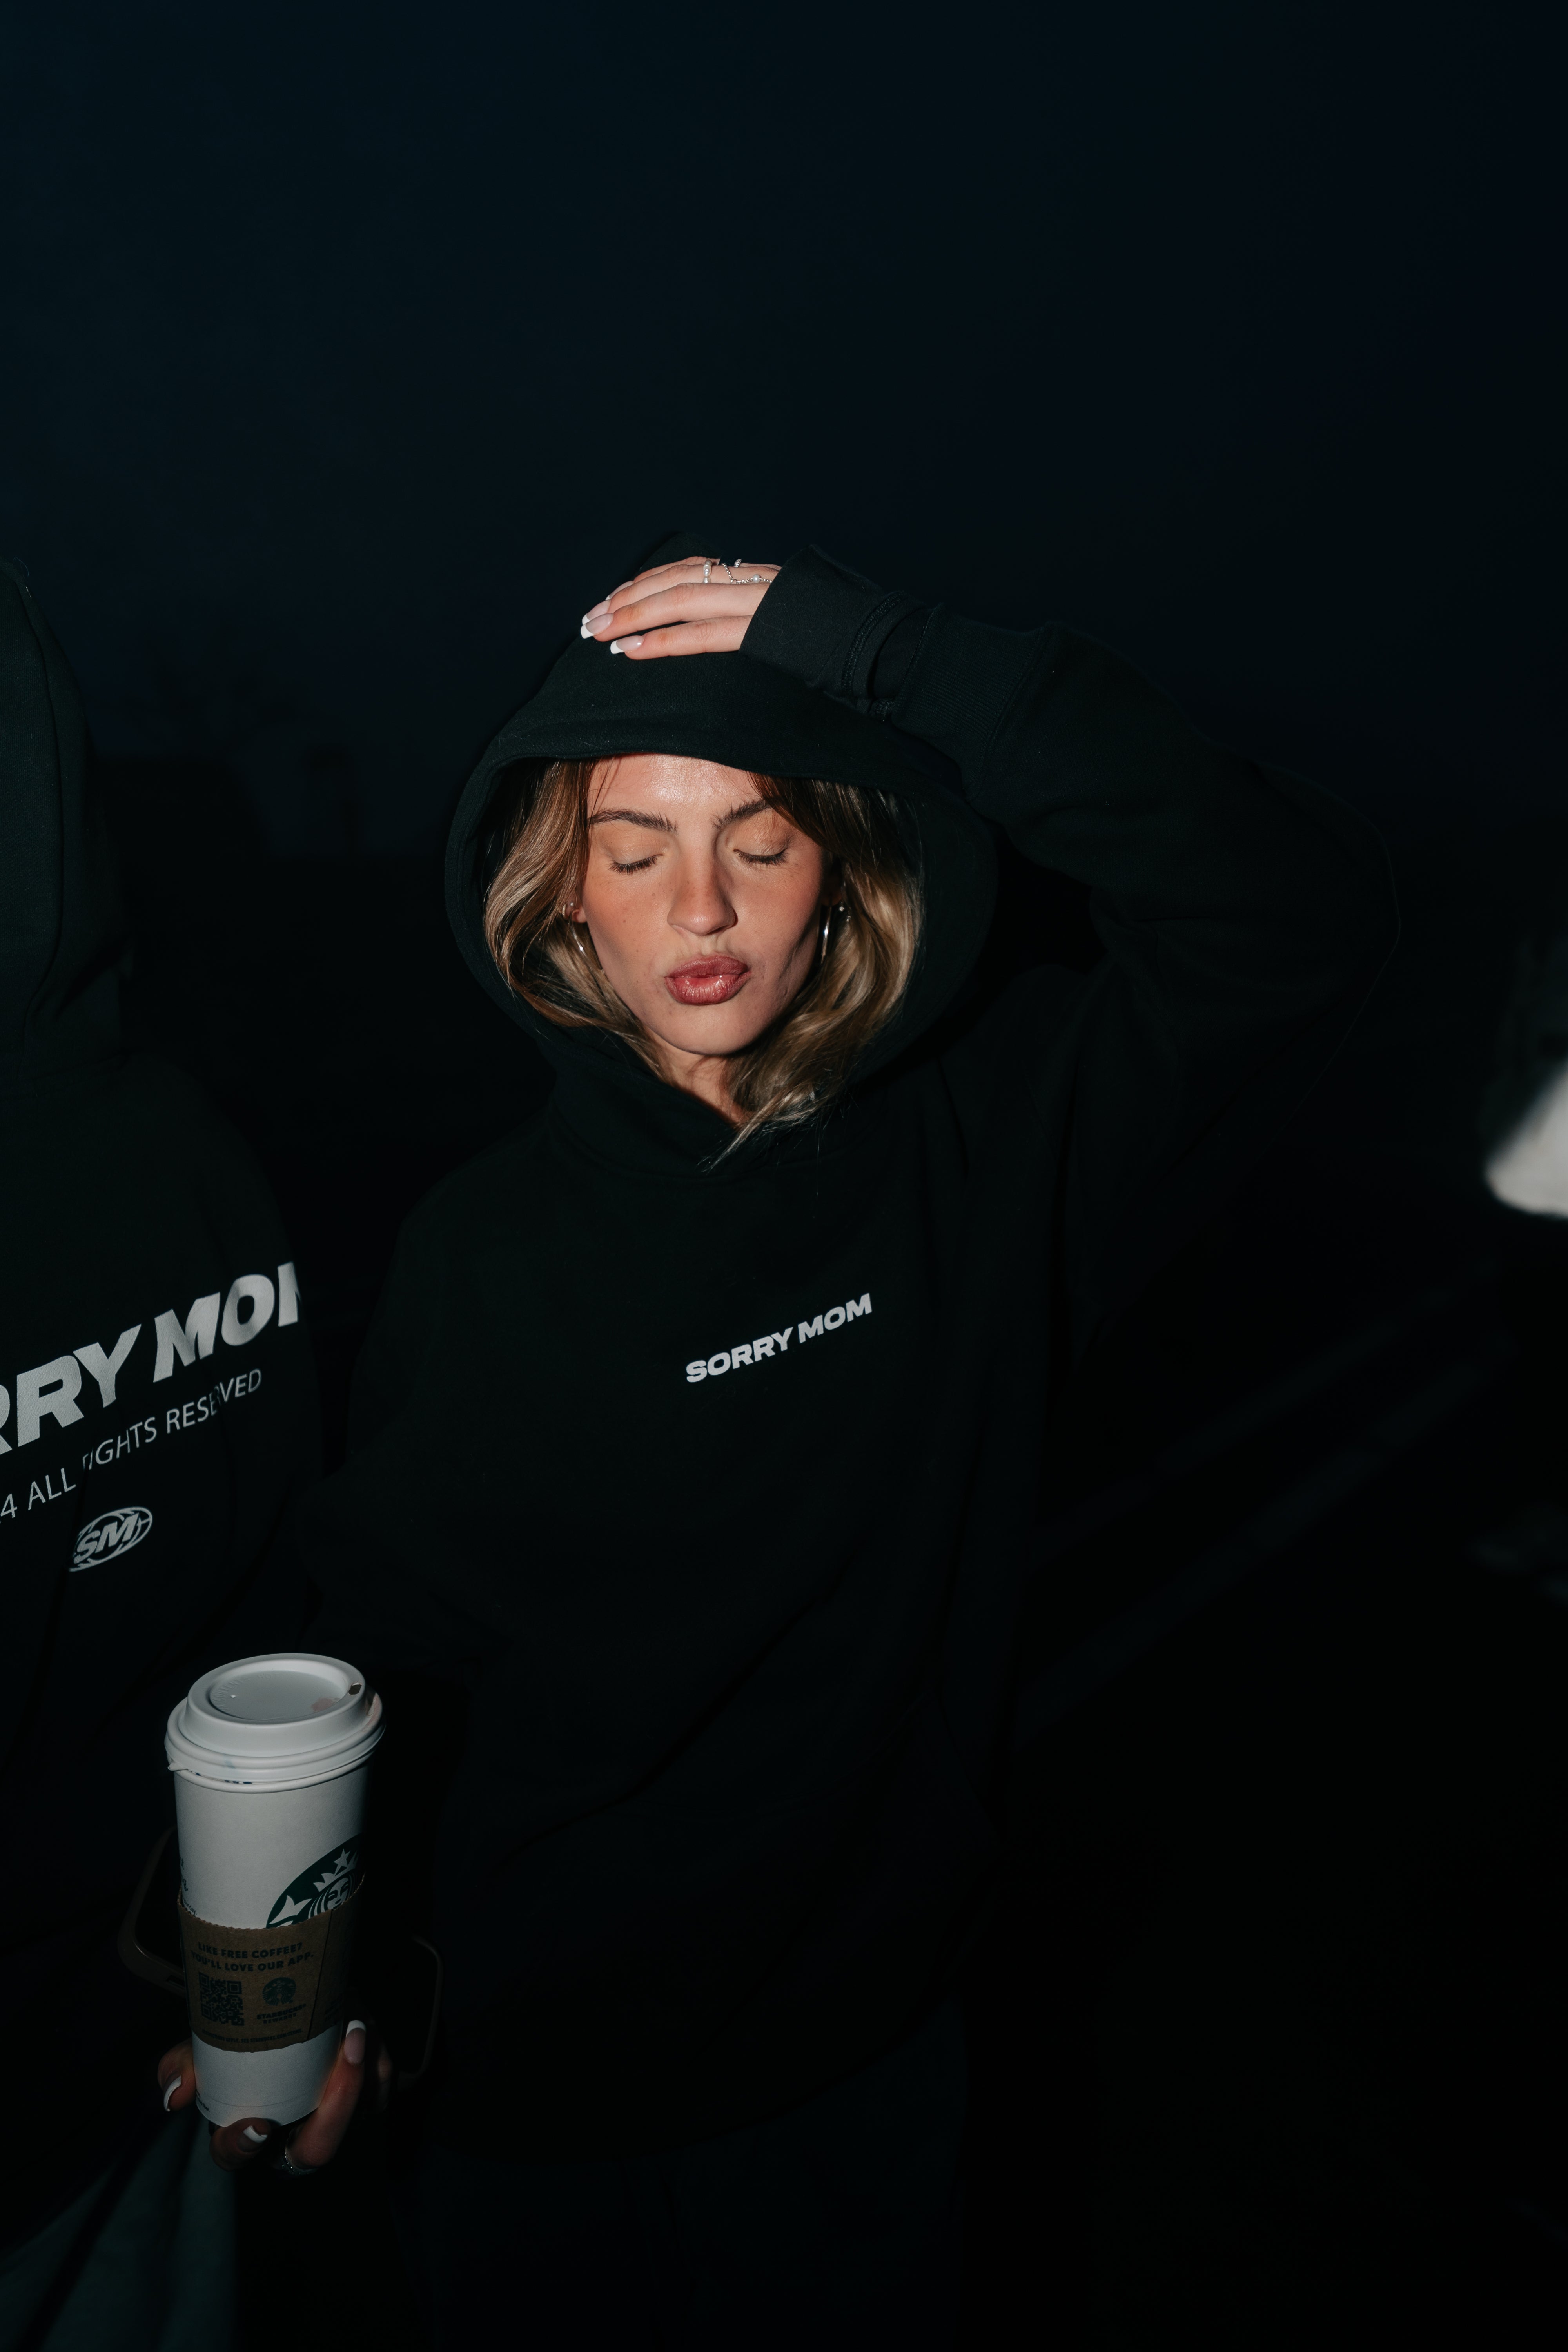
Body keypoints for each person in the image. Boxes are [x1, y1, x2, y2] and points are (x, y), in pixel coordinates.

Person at [294, 533, 1397, 2348]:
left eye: (761, 839)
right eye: (635, 850)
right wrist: (317, 1965)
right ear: (560, 897)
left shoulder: (990, 1141)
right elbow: (388, 1645)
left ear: (844, 870)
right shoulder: (474, 1250)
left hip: (856, 2067)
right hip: (526, 2088)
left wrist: (890, 654)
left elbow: (1293, 910)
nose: (700, 907)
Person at [0, 557, 345, 2349]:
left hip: (131, 2089)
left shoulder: (175, 1156)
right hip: (158, 2072)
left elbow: (278, 1632)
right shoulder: (187, 1139)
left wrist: (286, 1999)